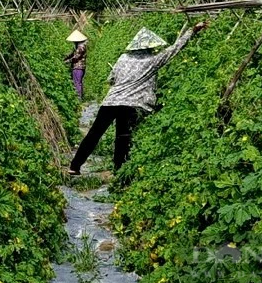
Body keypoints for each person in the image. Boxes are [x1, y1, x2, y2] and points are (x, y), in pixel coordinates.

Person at [68, 21, 208, 175]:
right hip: (132, 104)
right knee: (123, 138)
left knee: (94, 134)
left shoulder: (123, 58)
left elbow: (112, 78)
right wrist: (192, 31)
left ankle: (74, 166)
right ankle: (119, 171)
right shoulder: (152, 61)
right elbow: (174, 49)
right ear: (149, 46)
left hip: (111, 102)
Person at [64, 30, 88, 100]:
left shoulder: (81, 47)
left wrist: (67, 61)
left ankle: (79, 99)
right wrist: (65, 57)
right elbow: (72, 54)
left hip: (78, 67)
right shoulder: (77, 46)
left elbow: (76, 57)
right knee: (78, 82)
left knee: (77, 83)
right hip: (79, 67)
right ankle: (80, 97)